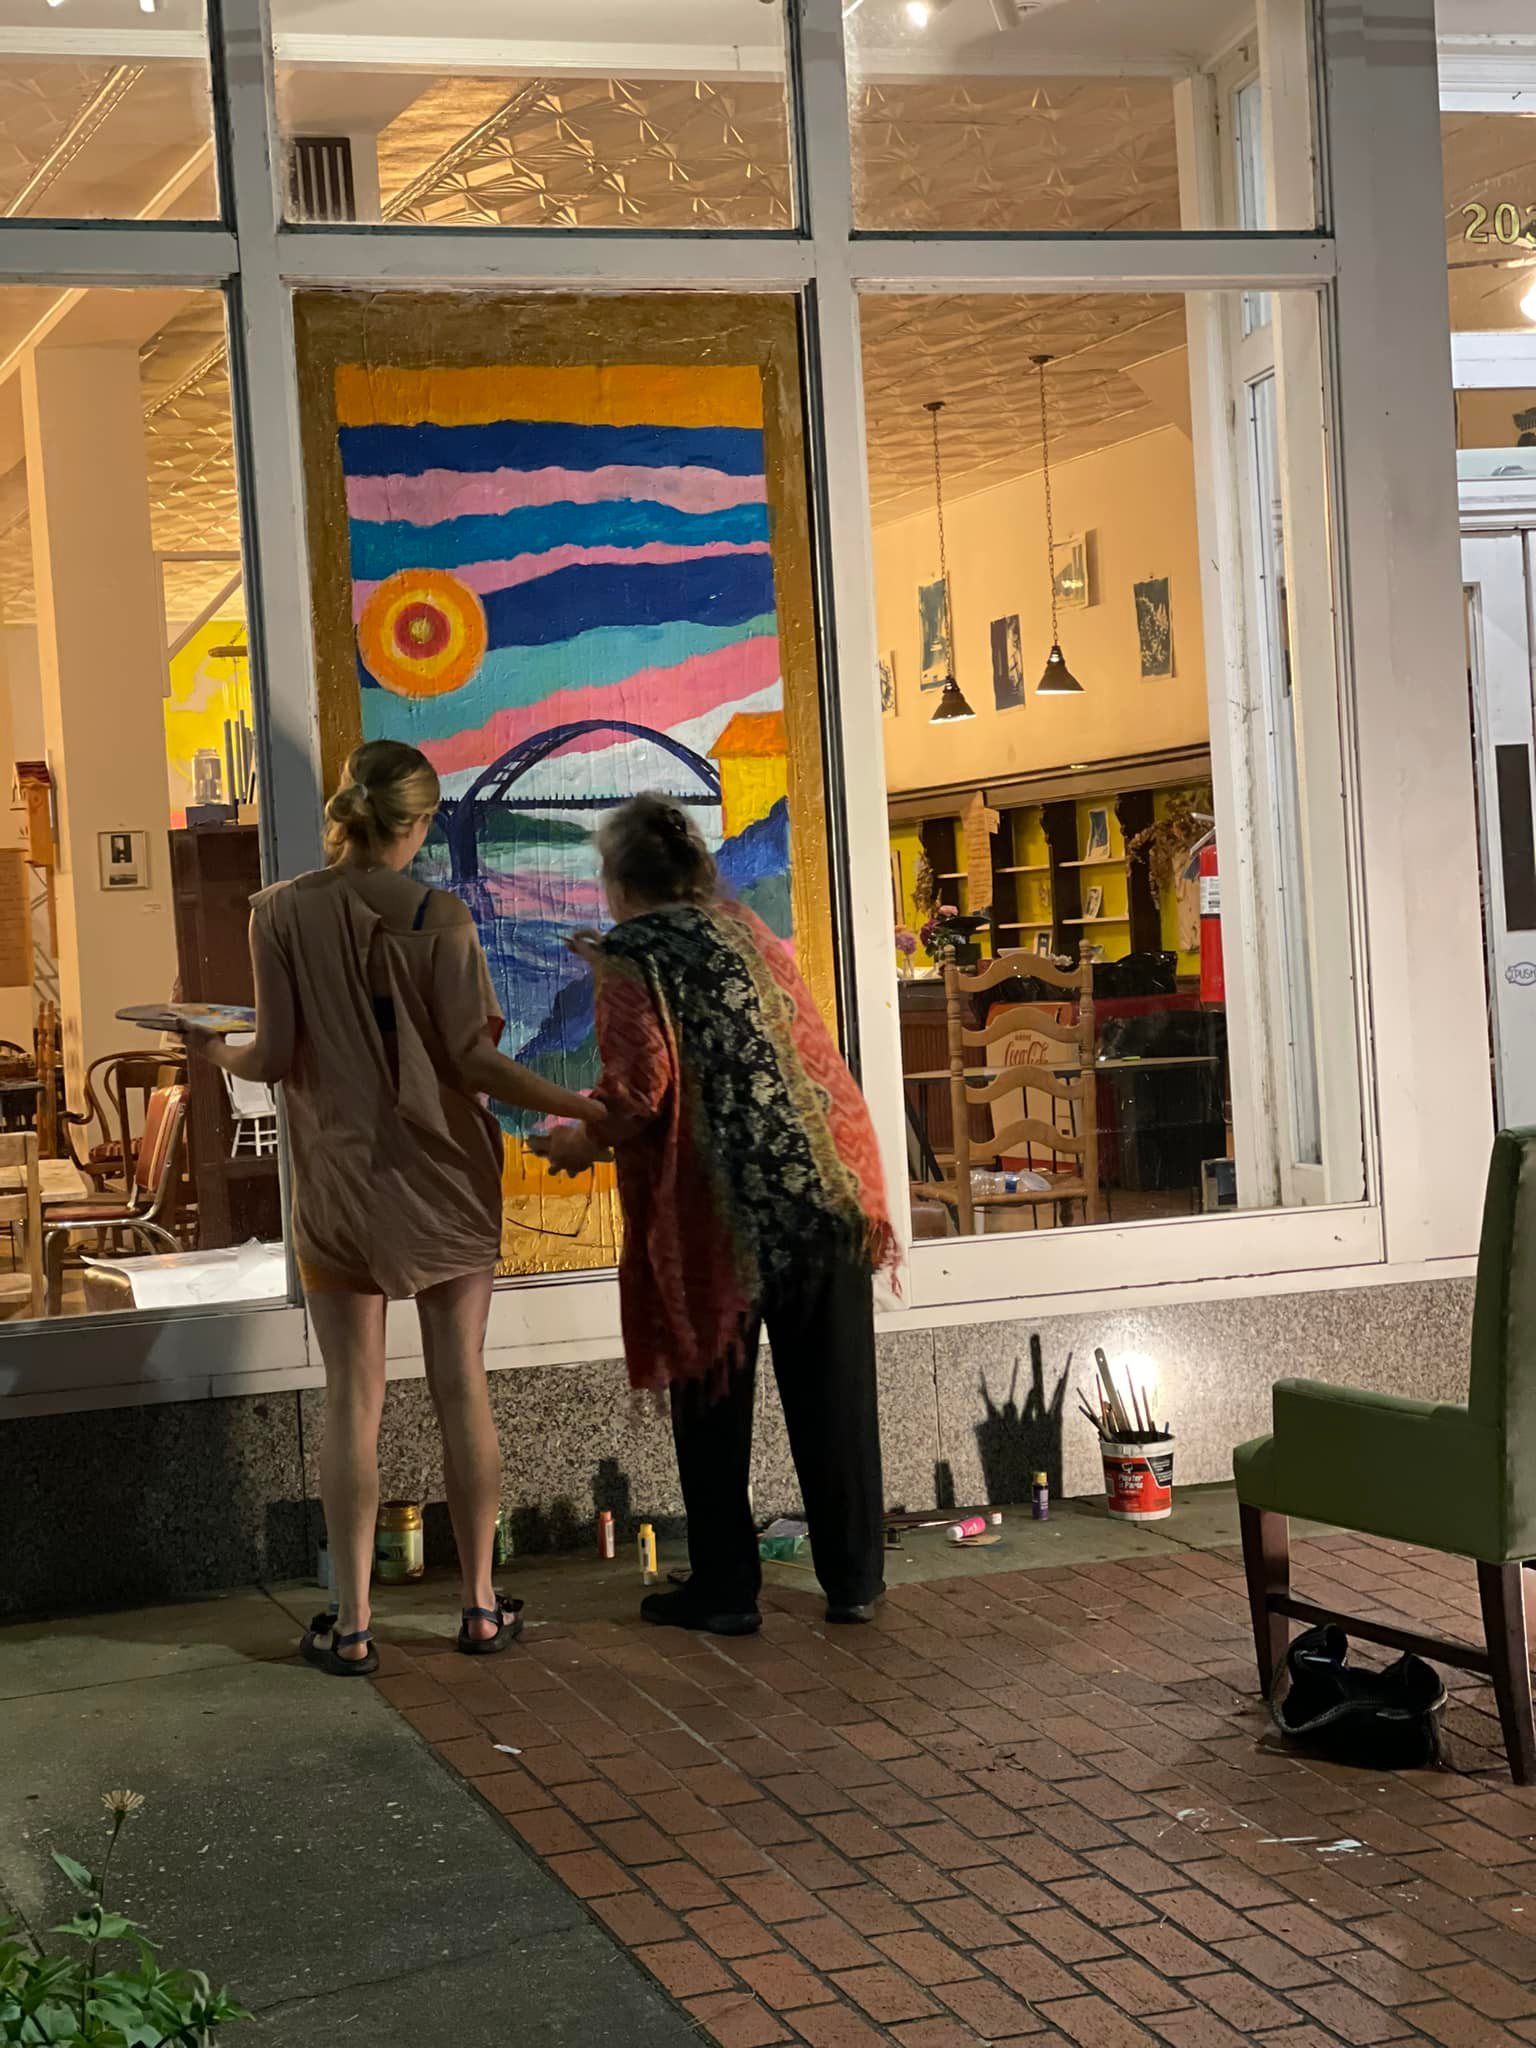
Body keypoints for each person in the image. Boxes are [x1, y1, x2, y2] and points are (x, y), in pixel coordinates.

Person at [187, 740, 605, 1676]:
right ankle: (482, 1608)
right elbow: (472, 1061)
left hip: (340, 1179)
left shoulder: (280, 914)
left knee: (353, 1398)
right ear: (418, 822)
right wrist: (581, 1103)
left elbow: (270, 1055)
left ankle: (356, 1622)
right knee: (462, 1384)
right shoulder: (440, 913)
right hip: (446, 1177)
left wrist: (213, 1048)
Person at [536, 794, 896, 1637]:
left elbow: (636, 1096)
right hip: (833, 1184)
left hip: (726, 1211)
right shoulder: (746, 931)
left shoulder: (632, 955)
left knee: (711, 1394)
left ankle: (728, 1589)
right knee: (834, 1397)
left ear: (617, 881)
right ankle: (854, 1581)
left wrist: (574, 1140)